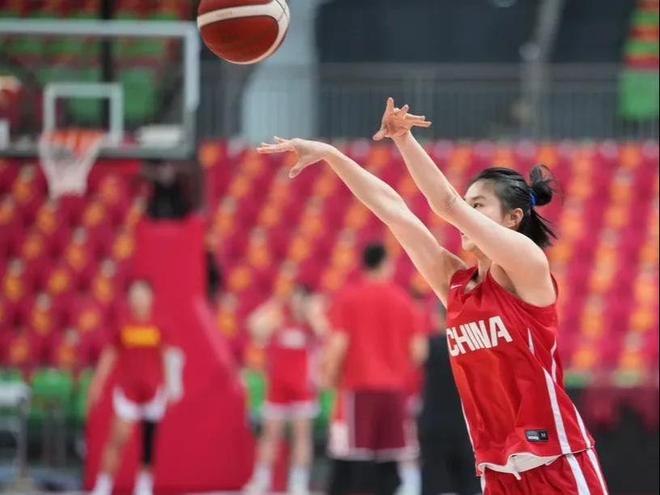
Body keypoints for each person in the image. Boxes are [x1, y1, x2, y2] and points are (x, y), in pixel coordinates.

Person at [257, 97, 609, 495]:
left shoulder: (528, 265)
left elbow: (447, 205)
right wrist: (332, 155)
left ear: (513, 218)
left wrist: (404, 140)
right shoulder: (454, 285)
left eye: (479, 205)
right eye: (469, 203)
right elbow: (395, 212)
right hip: (497, 467)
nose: (467, 214)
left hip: (556, 460)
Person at [322, 243, 425, 495]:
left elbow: (339, 344)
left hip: (360, 391)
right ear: (386, 264)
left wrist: (330, 376)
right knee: (388, 462)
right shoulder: (403, 300)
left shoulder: (349, 298)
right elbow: (418, 351)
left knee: (357, 460)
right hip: (393, 392)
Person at [89, 279, 182, 495]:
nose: (138, 299)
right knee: (118, 437)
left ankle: (144, 486)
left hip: (153, 390)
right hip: (128, 390)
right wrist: (98, 383)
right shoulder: (123, 324)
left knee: (149, 441)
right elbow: (110, 355)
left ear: (151, 298)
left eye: (142, 294)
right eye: (134, 295)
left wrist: (172, 387)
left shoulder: (160, 325)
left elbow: (170, 356)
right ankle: (103, 485)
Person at [243, 284, 329, 495]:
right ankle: (261, 480)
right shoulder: (279, 320)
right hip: (278, 388)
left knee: (302, 436)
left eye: (301, 300)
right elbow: (253, 327)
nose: (297, 304)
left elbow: (325, 333)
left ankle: (298, 483)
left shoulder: (310, 324)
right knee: (270, 435)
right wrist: (273, 305)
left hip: (303, 388)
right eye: (294, 299)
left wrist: (313, 312)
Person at [418, 306, 481, 495]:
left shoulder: (430, 345)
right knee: (470, 485)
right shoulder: (475, 345)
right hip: (469, 425)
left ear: (437, 317)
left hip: (434, 423)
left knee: (434, 484)